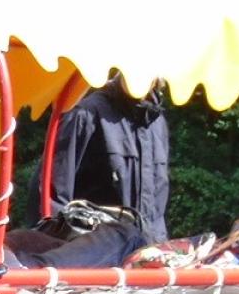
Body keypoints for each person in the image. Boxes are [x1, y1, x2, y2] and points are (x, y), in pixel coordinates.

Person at [36, 75, 170, 243]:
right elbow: (52, 198)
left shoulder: (157, 123)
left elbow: (157, 213)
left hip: (146, 257)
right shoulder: (86, 113)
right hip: (95, 258)